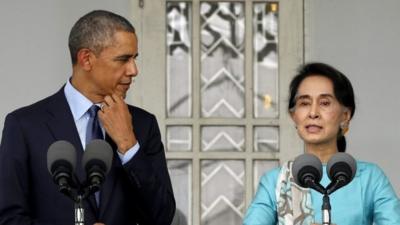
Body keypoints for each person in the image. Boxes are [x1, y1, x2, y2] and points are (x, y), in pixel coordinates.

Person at [0, 10, 175, 225]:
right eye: (123, 59)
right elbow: (8, 218)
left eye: (134, 58)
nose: (134, 70)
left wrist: (128, 145)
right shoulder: (24, 126)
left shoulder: (143, 124)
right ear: (86, 59)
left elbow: (162, 216)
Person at [243, 62, 400, 225]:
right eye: (304, 103)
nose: (313, 113)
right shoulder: (276, 181)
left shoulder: (369, 178)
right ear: (293, 116)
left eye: (324, 103)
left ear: (345, 115)